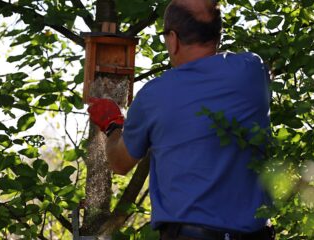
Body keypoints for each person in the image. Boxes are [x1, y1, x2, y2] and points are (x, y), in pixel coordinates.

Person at [87, 0, 274, 239]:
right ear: (217, 35)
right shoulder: (252, 69)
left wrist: (113, 125)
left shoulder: (155, 95)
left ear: (173, 39)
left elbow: (120, 163)